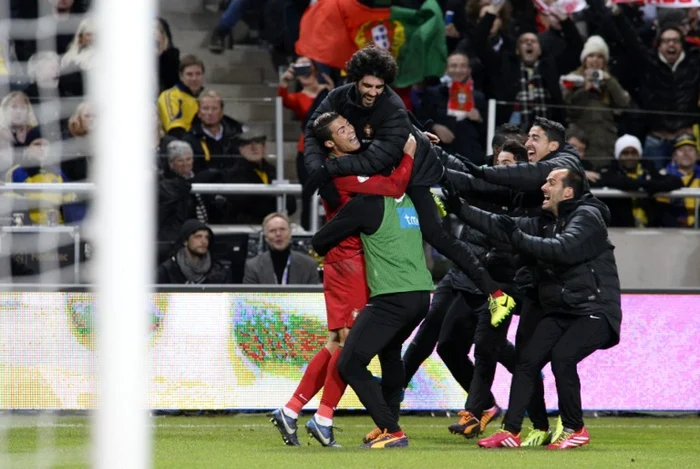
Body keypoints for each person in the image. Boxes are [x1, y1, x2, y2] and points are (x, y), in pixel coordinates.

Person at [303, 45, 516, 326]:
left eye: (380, 87)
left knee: (435, 233)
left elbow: (374, 160)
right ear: (355, 80)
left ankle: (497, 295)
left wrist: (327, 170)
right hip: (385, 166)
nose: (373, 92)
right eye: (368, 85)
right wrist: (317, 171)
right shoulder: (338, 97)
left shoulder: (391, 108)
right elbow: (313, 132)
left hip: (415, 168)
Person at [447, 168, 621, 449]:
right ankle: (511, 432)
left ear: (568, 192)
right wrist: (461, 209)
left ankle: (576, 428)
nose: (543, 186)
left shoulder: (587, 217)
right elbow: (498, 224)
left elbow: (560, 249)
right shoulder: (547, 221)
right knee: (526, 361)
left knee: (563, 357)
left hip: (596, 309)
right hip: (565, 309)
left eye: (551, 182)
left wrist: (516, 237)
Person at [270, 111, 415, 447]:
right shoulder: (340, 175)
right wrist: (408, 153)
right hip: (349, 262)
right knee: (349, 347)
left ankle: (292, 411)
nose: (350, 130)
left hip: (345, 262)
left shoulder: (352, 166)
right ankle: (323, 417)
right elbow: (394, 187)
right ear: (329, 144)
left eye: (349, 125)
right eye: (341, 130)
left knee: (336, 343)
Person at [311, 191, 434, 449]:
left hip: (391, 297)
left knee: (350, 363)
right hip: (422, 295)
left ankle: (392, 430)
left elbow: (320, 241)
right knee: (390, 354)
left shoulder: (367, 204)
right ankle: (387, 424)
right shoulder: (415, 199)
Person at [243, 212, 319, 285]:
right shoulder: (253, 267)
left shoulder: (309, 265)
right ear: (266, 237)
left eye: (282, 229)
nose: (278, 234)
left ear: (290, 233)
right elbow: (249, 297)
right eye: (272, 231)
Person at [157, 219, 230, 284]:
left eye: (207, 237)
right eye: (198, 237)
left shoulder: (218, 272)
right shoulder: (167, 271)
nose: (204, 241)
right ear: (185, 241)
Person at [158, 55, 205, 138]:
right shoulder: (170, 95)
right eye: (189, 74)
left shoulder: (204, 99)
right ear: (181, 76)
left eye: (198, 74)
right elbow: (175, 131)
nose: (194, 78)